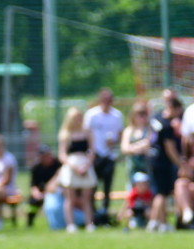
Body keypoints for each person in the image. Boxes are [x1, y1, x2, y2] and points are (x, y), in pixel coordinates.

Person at [84, 87, 124, 221]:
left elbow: (120, 135)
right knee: (92, 186)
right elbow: (86, 133)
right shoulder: (92, 115)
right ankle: (93, 214)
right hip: (95, 155)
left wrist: (114, 142)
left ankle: (105, 213)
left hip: (109, 155)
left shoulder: (117, 116)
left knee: (108, 187)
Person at [57, 106, 97, 233]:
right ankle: (70, 225)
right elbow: (62, 154)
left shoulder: (87, 132)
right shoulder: (65, 134)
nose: (79, 120)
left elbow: (92, 151)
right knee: (70, 198)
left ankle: (89, 224)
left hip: (85, 165)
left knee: (87, 198)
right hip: (71, 166)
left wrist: (87, 164)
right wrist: (73, 166)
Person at [147, 96, 183, 232]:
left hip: (151, 158)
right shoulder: (167, 125)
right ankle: (163, 223)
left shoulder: (155, 118)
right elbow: (170, 149)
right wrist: (180, 164)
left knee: (157, 192)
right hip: (162, 162)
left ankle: (153, 221)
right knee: (162, 193)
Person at [27, 144, 62, 228]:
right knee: (32, 202)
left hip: (56, 191)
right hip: (42, 191)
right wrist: (37, 194)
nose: (48, 157)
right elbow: (33, 185)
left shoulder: (58, 164)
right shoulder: (36, 168)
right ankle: (30, 222)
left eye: (49, 154)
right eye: (45, 156)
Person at [120, 101, 151, 188]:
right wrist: (140, 147)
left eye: (144, 114)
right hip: (133, 166)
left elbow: (149, 143)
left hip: (147, 166)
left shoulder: (150, 129)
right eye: (139, 115)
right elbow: (124, 148)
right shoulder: (129, 130)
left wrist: (133, 147)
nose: (141, 118)